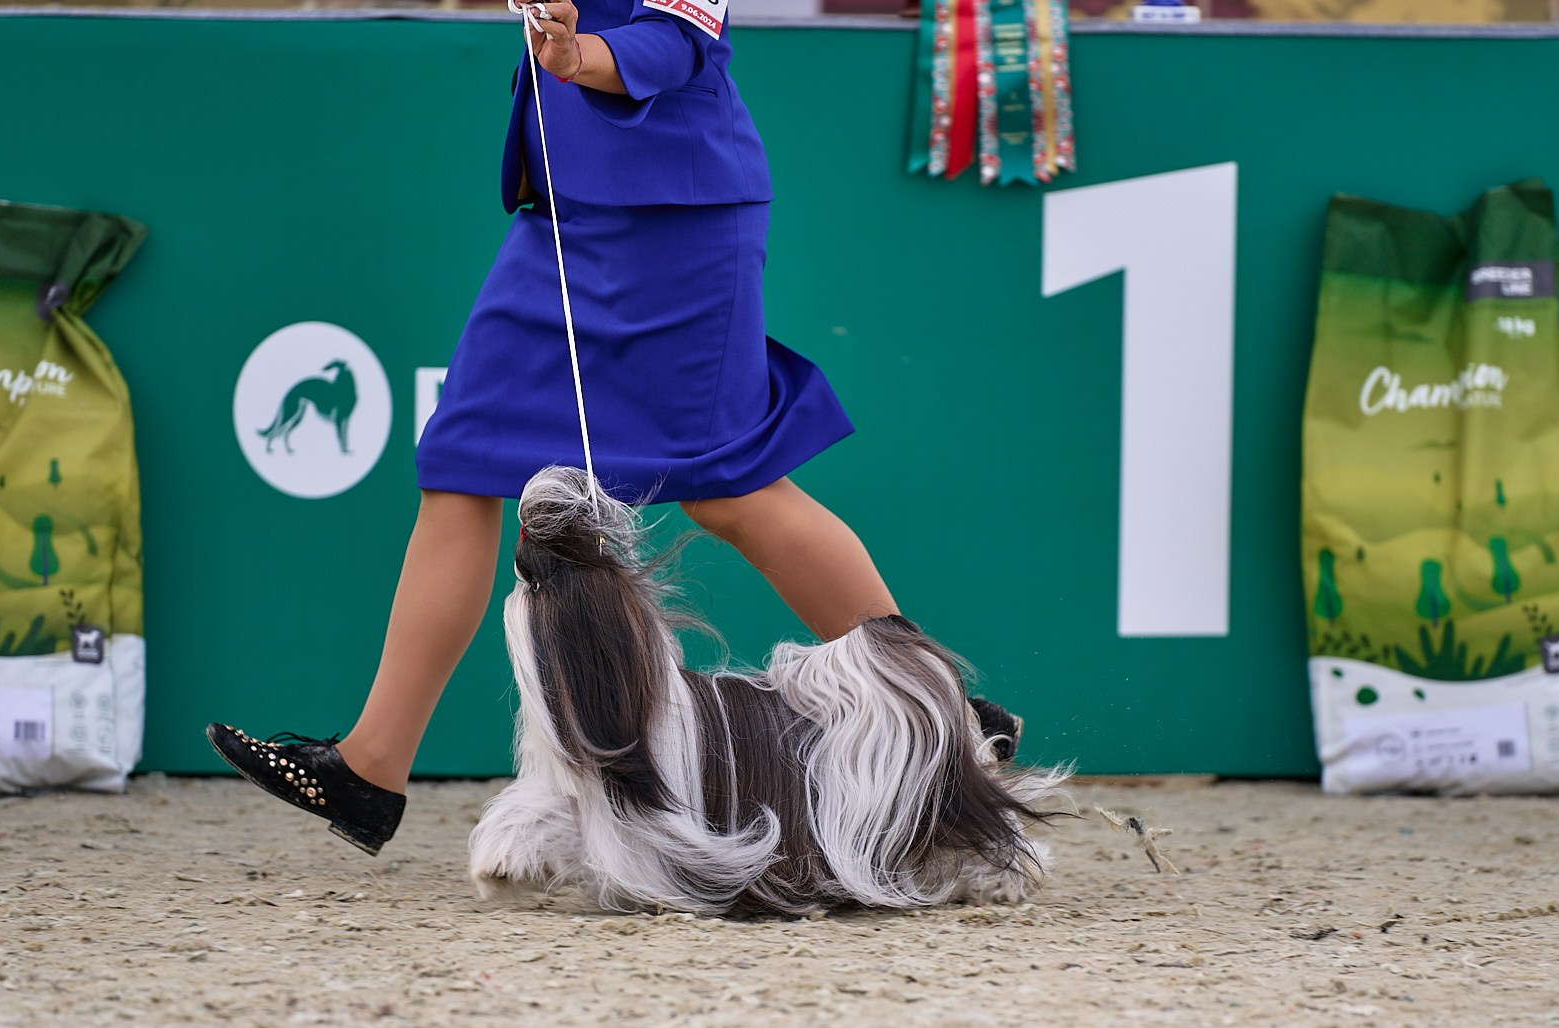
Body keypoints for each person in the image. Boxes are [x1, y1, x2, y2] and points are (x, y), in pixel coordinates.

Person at [208, 0, 1017, 855]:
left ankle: (944, 717)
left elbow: (679, 37)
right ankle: (369, 769)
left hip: (680, 222)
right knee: (458, 465)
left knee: (729, 490)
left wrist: (580, 52)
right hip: (560, 217)